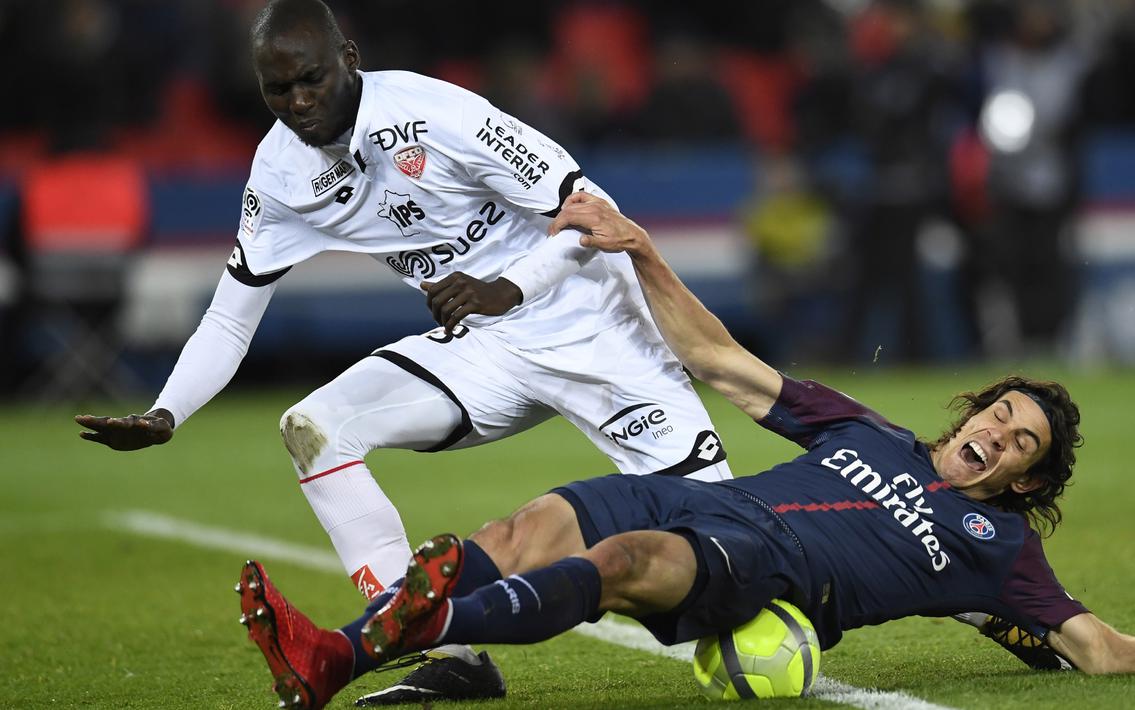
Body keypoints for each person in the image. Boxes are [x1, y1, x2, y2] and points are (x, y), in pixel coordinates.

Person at [236, 193, 1135, 709]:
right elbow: (719, 358)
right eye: (999, 413)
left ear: (1026, 479)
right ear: (970, 409)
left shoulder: (998, 549)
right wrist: (639, 250)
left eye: (1020, 444)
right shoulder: (864, 428)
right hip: (700, 497)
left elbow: (1089, 646)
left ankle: (380, 639)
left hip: (761, 569)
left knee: (619, 567)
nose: (995, 435)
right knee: (525, 524)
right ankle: (344, 649)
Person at [73, 1, 732, 704]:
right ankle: (447, 652)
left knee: (727, 549)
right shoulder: (279, 174)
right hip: (487, 347)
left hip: (598, 330)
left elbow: (591, 210)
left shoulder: (435, 114)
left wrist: (507, 287)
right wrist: (167, 411)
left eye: (311, 81)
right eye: (277, 89)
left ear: (349, 59)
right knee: (316, 429)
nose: (297, 103)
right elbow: (232, 319)